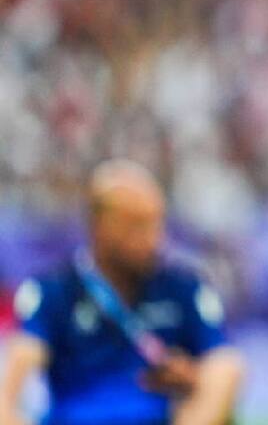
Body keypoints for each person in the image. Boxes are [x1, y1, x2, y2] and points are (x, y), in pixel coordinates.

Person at [0, 161, 244, 425]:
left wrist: (194, 379)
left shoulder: (182, 287)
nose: (155, 239)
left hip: (161, 418)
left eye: (157, 224)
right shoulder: (53, 291)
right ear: (101, 226)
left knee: (227, 369)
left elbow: (222, 364)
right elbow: (16, 374)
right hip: (77, 418)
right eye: (138, 226)